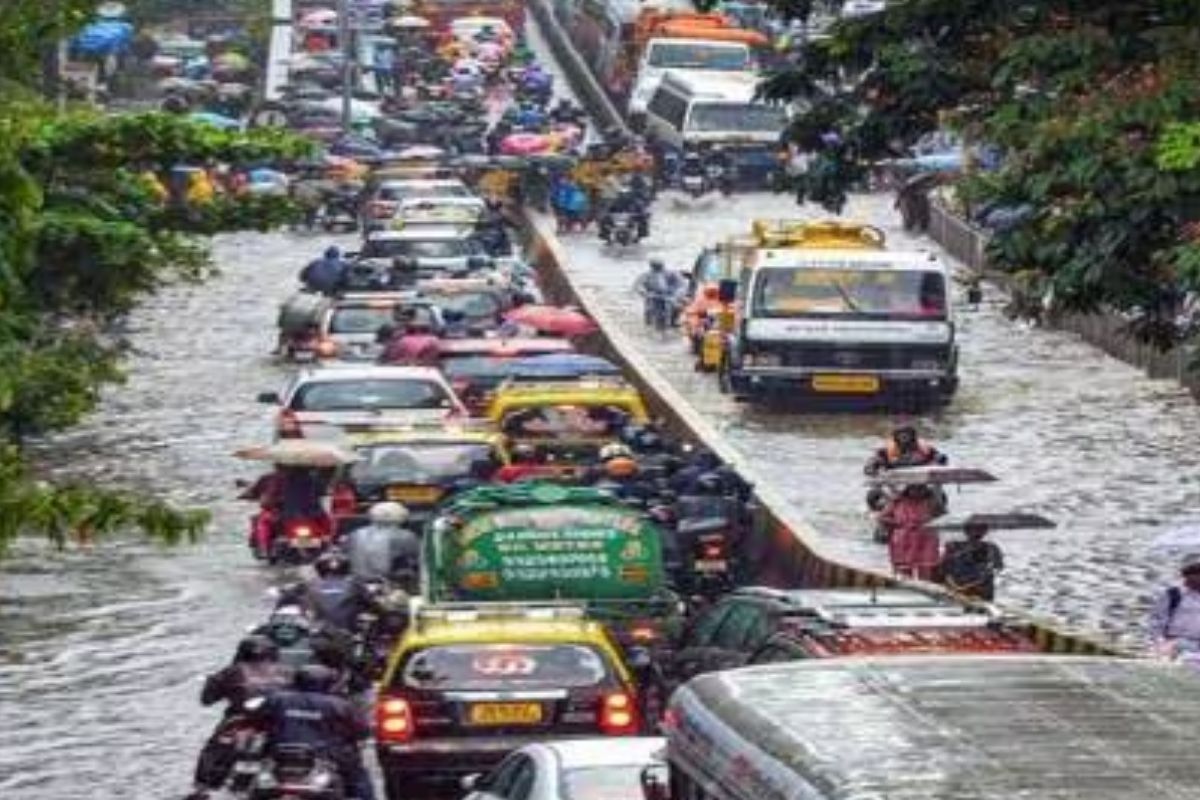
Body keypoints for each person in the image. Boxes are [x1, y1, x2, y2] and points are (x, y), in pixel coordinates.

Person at [187, 636, 293, 799]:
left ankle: (201, 789)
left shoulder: (232, 671)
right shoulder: (287, 671)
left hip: (241, 721)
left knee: (212, 753)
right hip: (279, 722)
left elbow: (207, 699)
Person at [255, 665, 375, 800]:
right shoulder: (339, 704)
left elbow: (258, 722)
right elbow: (362, 730)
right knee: (358, 778)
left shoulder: (276, 699)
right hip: (326, 756)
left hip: (279, 755)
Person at [286, 551, 374, 634]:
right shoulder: (355, 583)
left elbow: (289, 599)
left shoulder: (310, 584)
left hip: (318, 633)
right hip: (347, 634)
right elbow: (372, 603)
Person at [344, 502, 420, 588]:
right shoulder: (406, 536)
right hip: (389, 584)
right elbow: (417, 559)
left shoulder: (356, 533)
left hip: (357, 583)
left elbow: (346, 555)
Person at [881, 484, 940, 580]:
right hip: (904, 541)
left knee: (926, 570)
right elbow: (882, 518)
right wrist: (897, 523)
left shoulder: (931, 502)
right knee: (904, 572)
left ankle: (925, 586)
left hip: (926, 540)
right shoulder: (898, 502)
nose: (917, 492)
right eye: (915, 489)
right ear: (908, 489)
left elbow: (942, 517)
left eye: (920, 489)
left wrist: (931, 521)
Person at [936, 520, 1004, 601]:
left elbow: (998, 567)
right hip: (959, 590)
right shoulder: (953, 546)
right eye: (975, 529)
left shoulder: (991, 548)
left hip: (978, 590)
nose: (977, 532)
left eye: (981, 528)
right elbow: (944, 569)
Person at [1149, 553, 1200, 655]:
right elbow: (1157, 620)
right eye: (1197, 575)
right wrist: (1159, 642)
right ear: (1188, 576)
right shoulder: (1174, 594)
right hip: (1175, 643)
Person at [864, 425, 946, 475]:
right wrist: (871, 467)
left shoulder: (924, 448)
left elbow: (940, 457)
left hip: (920, 475)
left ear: (913, 437)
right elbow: (874, 460)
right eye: (901, 435)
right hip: (895, 476)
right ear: (895, 438)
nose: (904, 437)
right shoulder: (887, 450)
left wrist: (937, 462)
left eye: (907, 435)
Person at [634, 260, 685, 325]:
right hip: (653, 299)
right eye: (656, 268)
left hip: (670, 298)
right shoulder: (646, 275)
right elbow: (638, 286)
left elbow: (682, 285)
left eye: (660, 267)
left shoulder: (672, 274)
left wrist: (676, 295)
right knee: (650, 320)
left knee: (675, 313)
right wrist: (644, 293)